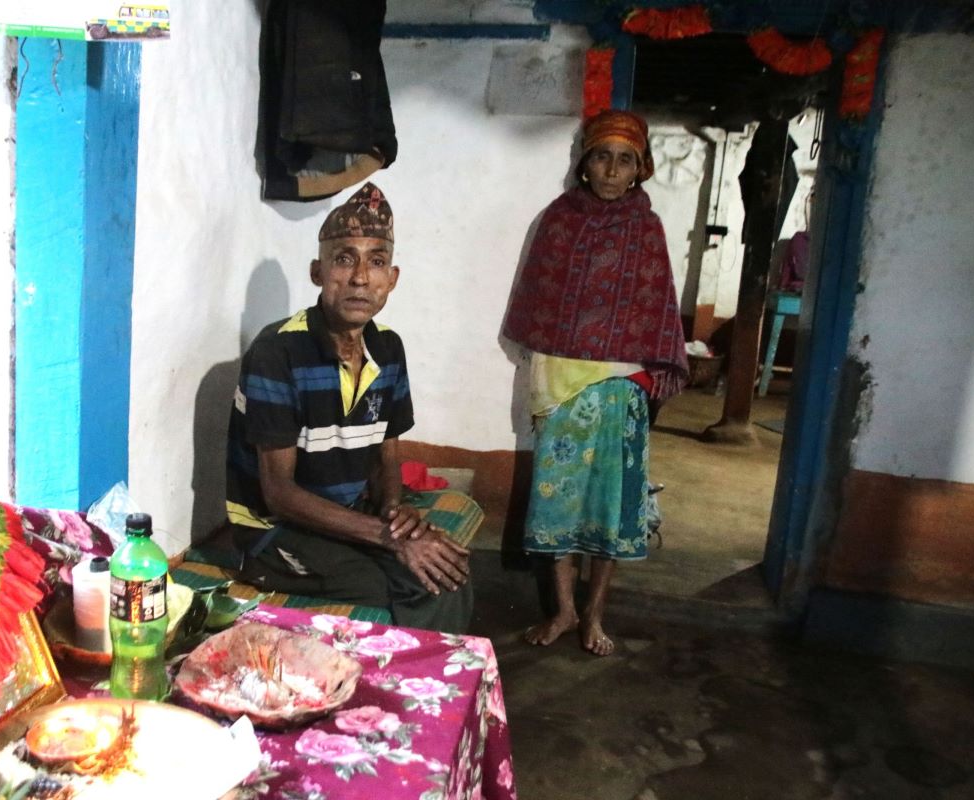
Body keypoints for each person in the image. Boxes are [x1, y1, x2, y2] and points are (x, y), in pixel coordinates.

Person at [226, 182, 473, 633]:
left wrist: (395, 512)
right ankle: (411, 672)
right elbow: (278, 494)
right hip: (274, 533)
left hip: (348, 517)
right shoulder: (277, 352)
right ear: (317, 272)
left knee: (446, 570)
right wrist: (388, 538)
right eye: (344, 259)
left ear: (392, 279)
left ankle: (434, 673)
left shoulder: (389, 349)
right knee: (402, 584)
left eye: (376, 262)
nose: (360, 277)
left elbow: (385, 454)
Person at [502, 110, 688, 655]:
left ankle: (594, 615)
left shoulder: (647, 228)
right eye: (602, 156)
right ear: (585, 162)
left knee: (612, 503)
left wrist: (648, 372)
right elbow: (538, 302)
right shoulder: (559, 221)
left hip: (621, 389)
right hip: (562, 384)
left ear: (639, 169)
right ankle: (562, 609)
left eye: (625, 160)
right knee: (557, 500)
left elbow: (656, 307)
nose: (611, 169)